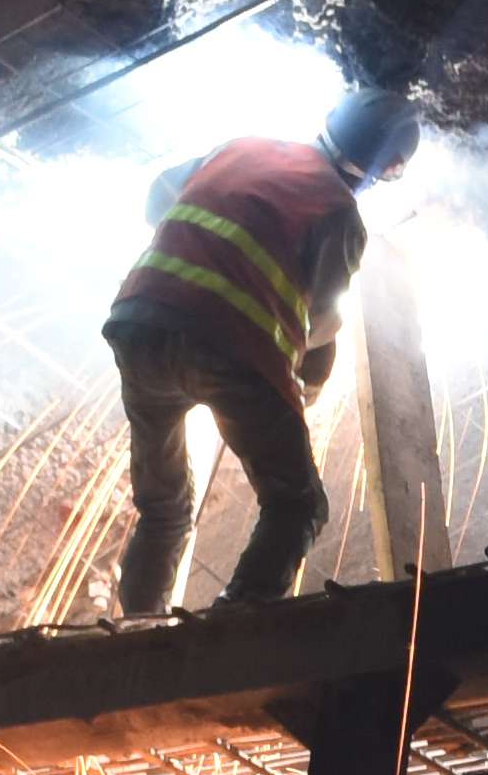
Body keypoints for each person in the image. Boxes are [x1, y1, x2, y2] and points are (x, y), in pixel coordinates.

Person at [106, 126, 368, 615]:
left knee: (163, 508)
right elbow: (322, 320)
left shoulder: (239, 148)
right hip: (231, 349)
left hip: (138, 325)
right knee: (297, 505)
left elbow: (158, 198)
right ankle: (234, 622)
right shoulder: (339, 210)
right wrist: (304, 384)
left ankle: (137, 628)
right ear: (385, 169)